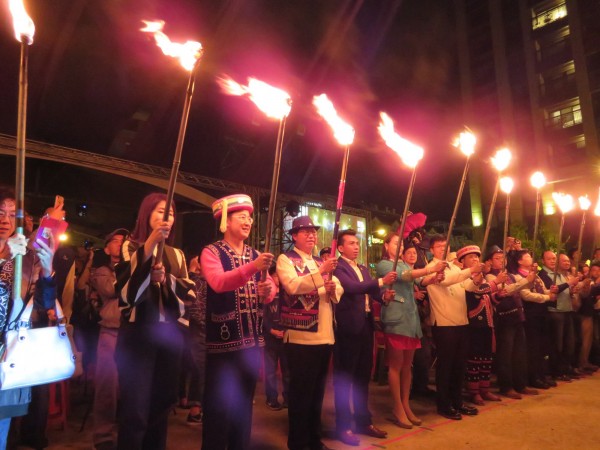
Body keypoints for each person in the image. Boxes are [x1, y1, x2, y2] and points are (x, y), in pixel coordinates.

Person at [114, 193, 194, 450]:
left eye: (169, 213)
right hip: (138, 338)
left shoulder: (177, 254)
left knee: (162, 405)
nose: (166, 218)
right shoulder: (130, 247)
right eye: (160, 212)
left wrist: (165, 280)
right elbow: (127, 293)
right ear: (146, 215)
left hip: (168, 339)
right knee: (135, 409)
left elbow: (188, 295)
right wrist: (148, 248)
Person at [201, 194, 274, 450]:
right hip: (223, 343)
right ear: (225, 222)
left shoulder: (255, 254)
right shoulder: (211, 252)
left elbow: (271, 288)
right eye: (242, 217)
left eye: (250, 217)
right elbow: (219, 283)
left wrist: (267, 291)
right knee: (219, 406)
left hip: (251, 344)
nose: (248, 221)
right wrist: (253, 267)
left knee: (245, 406)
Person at [276, 216, 342, 450]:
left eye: (313, 231)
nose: (311, 235)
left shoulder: (317, 261)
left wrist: (333, 288)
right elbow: (293, 286)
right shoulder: (286, 259)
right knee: (301, 394)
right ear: (294, 235)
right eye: (305, 232)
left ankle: (315, 440)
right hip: (301, 337)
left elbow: (336, 286)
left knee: (317, 394)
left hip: (325, 335)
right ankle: (298, 442)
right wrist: (321, 274)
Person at [0, 188, 56, 448]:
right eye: (0, 212)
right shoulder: (10, 254)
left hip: (10, 354)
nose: (6, 220)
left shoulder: (25, 256)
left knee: (3, 430)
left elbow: (43, 304)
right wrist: (2, 258)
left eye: (12, 214)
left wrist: (47, 271)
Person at [376, 235, 445, 428]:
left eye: (401, 243)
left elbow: (421, 280)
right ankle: (397, 406)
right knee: (396, 365)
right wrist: (430, 268)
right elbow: (405, 277)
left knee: (408, 366)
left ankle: (405, 404)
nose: (399, 246)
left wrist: (435, 276)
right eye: (395, 243)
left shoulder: (405, 265)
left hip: (411, 319)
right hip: (396, 319)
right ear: (386, 245)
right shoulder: (384, 265)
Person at [333, 229, 393, 446]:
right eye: (351, 243)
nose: (356, 246)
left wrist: (384, 296)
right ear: (340, 248)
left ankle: (363, 421)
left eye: (357, 243)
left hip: (366, 327)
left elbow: (373, 293)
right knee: (345, 379)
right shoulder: (337, 267)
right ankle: (343, 426)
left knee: (362, 378)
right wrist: (380, 282)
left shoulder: (362, 268)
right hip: (347, 330)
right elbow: (352, 288)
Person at [420, 235, 483, 420]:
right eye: (438, 246)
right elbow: (446, 281)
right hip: (444, 323)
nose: (443, 249)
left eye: (445, 246)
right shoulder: (430, 268)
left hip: (461, 321)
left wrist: (476, 278)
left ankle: (458, 402)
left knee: (459, 365)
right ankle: (444, 404)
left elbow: (467, 287)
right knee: (445, 366)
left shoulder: (455, 267)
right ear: (432, 250)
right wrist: (470, 270)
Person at [90, 228, 128, 450]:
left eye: (124, 241)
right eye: (115, 241)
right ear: (107, 247)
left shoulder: (132, 267)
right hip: (111, 332)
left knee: (129, 386)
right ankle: (103, 436)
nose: (121, 243)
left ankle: (126, 431)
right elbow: (111, 290)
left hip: (131, 333)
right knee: (107, 386)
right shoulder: (103, 271)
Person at [456, 245, 505, 405]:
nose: (476, 260)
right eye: (471, 257)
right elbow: (476, 292)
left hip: (486, 323)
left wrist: (498, 295)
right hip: (472, 324)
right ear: (462, 261)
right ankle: (474, 392)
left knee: (486, 358)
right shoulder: (462, 278)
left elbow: (487, 298)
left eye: (477, 257)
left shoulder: (481, 278)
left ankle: (485, 389)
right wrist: (496, 282)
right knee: (474, 359)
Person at [495, 250, 542, 399]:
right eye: (497, 258)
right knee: (506, 355)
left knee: (519, 353)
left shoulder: (512, 275)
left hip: (517, 316)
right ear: (490, 262)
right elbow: (507, 290)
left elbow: (522, 288)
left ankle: (520, 384)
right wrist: (526, 280)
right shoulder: (491, 276)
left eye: (503, 258)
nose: (501, 261)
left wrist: (532, 277)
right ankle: (506, 386)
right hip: (504, 318)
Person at [538, 251, 581, 380]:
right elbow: (554, 289)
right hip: (554, 312)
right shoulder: (543, 274)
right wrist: (569, 283)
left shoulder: (560, 274)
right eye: (549, 259)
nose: (552, 261)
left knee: (569, 343)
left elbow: (564, 290)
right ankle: (556, 371)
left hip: (566, 311)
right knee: (557, 344)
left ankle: (565, 368)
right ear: (543, 261)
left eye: (554, 259)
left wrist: (572, 290)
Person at [182, 255, 207, 424]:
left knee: (206, 369)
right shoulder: (196, 281)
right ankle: (195, 408)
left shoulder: (216, 281)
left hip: (212, 329)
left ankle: (200, 407)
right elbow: (193, 308)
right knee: (199, 367)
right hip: (199, 330)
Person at [263, 265, 290, 411]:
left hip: (286, 337)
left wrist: (286, 330)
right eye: (276, 275)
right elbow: (262, 316)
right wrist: (271, 330)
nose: (278, 279)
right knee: (270, 370)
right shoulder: (267, 295)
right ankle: (271, 398)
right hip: (271, 338)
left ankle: (288, 398)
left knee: (287, 371)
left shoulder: (288, 294)